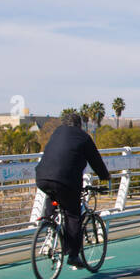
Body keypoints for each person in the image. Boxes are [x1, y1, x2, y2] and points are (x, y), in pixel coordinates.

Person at [35, 112, 110, 268]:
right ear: (79, 125)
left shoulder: (56, 133)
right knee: (73, 214)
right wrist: (105, 177)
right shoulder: (83, 137)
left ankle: (49, 226)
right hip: (66, 181)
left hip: (42, 177)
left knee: (54, 197)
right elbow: (96, 161)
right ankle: (74, 255)